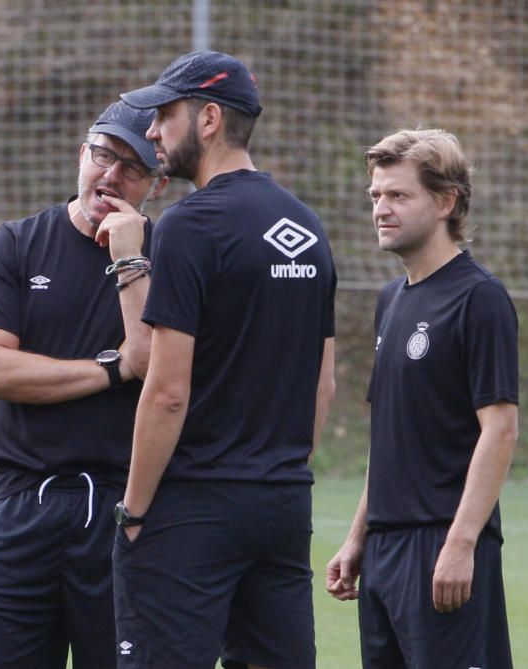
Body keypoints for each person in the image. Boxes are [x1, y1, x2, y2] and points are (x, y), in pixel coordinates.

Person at [114, 51, 337, 669]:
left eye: (164, 115)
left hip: (194, 510)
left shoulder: (191, 224)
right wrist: (276, 470)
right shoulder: (309, 226)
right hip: (284, 506)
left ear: (208, 118)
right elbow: (324, 385)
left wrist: (133, 511)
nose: (152, 131)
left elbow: (167, 390)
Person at [0, 100, 169, 669]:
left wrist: (131, 258)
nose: (111, 175)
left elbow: (153, 364)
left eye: (133, 167)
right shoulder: (18, 245)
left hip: (125, 511)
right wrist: (110, 368)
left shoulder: (171, 256)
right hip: (23, 502)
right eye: (103, 155)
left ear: (158, 184)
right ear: (82, 154)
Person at [326, 129, 518, 669]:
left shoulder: (480, 298)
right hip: (384, 554)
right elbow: (391, 438)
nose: (381, 210)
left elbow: (499, 430)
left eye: (398, 196)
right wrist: (357, 537)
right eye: (375, 197)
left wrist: (460, 544)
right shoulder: (391, 300)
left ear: (445, 202)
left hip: (442, 547)